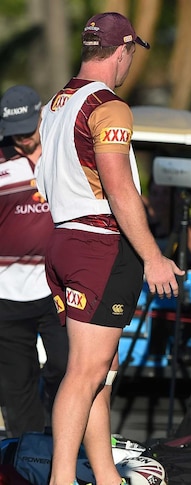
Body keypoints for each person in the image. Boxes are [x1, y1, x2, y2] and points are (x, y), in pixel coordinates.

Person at [35, 12, 182, 485]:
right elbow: (120, 190)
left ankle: (106, 475)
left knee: (101, 371)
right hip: (98, 243)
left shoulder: (55, 103)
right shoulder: (109, 106)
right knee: (86, 372)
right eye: (131, 54)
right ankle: (62, 479)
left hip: (62, 240)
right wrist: (154, 256)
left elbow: (43, 181)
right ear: (123, 52)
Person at [0, 85, 69, 437]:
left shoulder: (63, 153)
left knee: (65, 366)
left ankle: (61, 441)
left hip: (56, 287)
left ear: (41, 116)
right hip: (6, 296)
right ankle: (23, 457)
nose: (23, 141)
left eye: (28, 131)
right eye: (14, 135)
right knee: (17, 382)